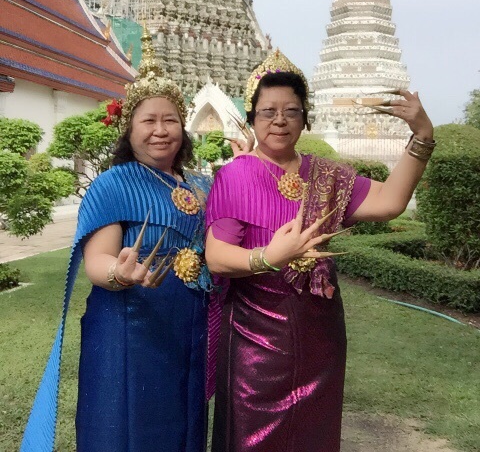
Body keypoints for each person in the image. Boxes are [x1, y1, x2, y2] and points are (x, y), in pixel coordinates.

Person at [205, 49, 435, 452]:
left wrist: (422, 137)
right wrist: (268, 257)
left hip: (320, 330)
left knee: (314, 433)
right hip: (255, 334)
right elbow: (217, 257)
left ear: (305, 118)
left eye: (291, 111)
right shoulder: (235, 175)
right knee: (252, 439)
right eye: (268, 111)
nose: (279, 120)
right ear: (252, 117)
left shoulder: (326, 175)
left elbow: (390, 201)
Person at [21, 28, 212, 452]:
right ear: (129, 129)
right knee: (128, 429)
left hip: (190, 327)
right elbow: (98, 260)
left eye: (170, 120)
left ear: (183, 126)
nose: (161, 130)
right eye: (148, 120)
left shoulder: (201, 185)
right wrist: (119, 273)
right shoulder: (113, 184)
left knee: (185, 425)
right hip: (130, 327)